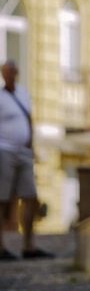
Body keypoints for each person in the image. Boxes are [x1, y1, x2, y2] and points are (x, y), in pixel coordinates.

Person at [0, 59, 53, 260]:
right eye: (5, 71)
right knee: (2, 199)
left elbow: (29, 118)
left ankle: (28, 244)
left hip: (24, 152)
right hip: (4, 150)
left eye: (11, 71)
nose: (8, 74)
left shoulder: (23, 92)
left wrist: (31, 143)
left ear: (17, 72)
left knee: (30, 196)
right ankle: (1, 246)